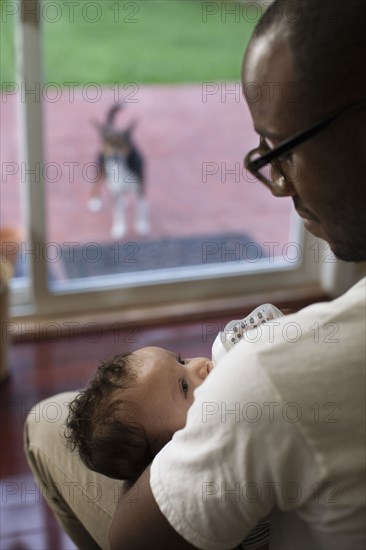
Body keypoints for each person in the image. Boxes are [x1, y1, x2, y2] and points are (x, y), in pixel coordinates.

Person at [25, 1, 366, 549]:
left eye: (283, 149)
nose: (275, 182)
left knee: (45, 421)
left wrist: (208, 433)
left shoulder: (266, 383)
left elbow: (132, 541)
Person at [64, 347, 270, 549]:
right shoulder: (226, 475)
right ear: (175, 453)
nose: (199, 364)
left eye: (181, 361)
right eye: (184, 387)